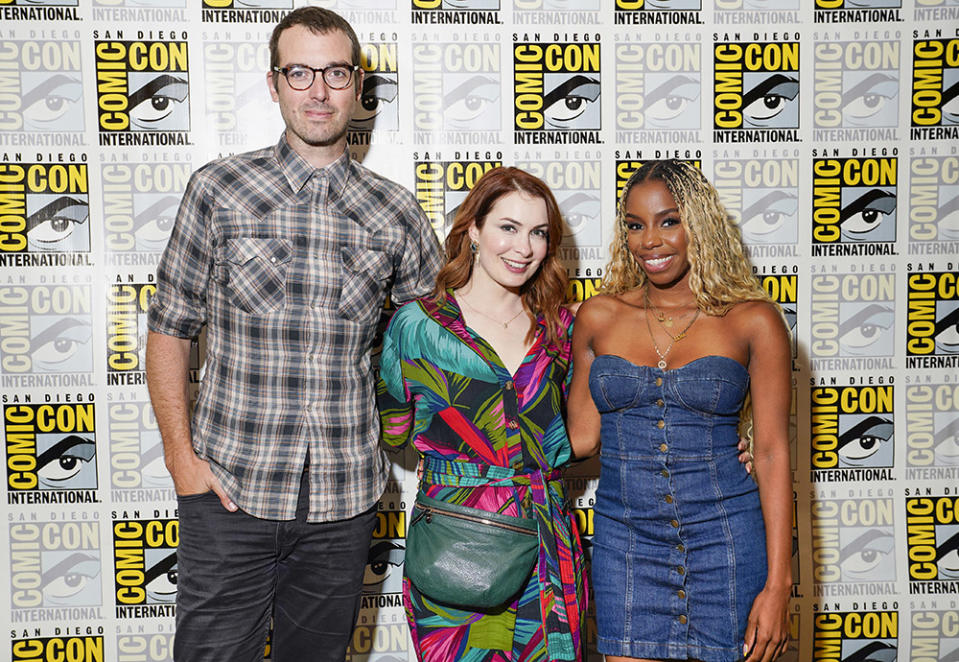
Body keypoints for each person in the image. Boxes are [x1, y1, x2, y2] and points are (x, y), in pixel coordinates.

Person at [145, 7, 443, 661]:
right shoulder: (218, 189)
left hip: (344, 497)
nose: (318, 90)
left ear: (357, 84)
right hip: (229, 488)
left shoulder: (394, 210)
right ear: (275, 82)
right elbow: (170, 327)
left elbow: (440, 339)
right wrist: (180, 459)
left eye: (335, 72)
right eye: (300, 72)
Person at [567, 160, 791, 662]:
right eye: (635, 224)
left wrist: (780, 585)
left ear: (700, 225)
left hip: (728, 539)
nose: (650, 240)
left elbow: (773, 453)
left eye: (669, 221)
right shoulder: (599, 316)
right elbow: (578, 439)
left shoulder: (752, 320)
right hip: (627, 543)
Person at [377, 166, 588, 661]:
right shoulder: (417, 326)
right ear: (473, 229)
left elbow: (591, 427)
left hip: (548, 544)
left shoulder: (562, 329)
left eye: (538, 233)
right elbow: (394, 432)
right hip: (457, 545)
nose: (524, 248)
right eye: (508, 228)